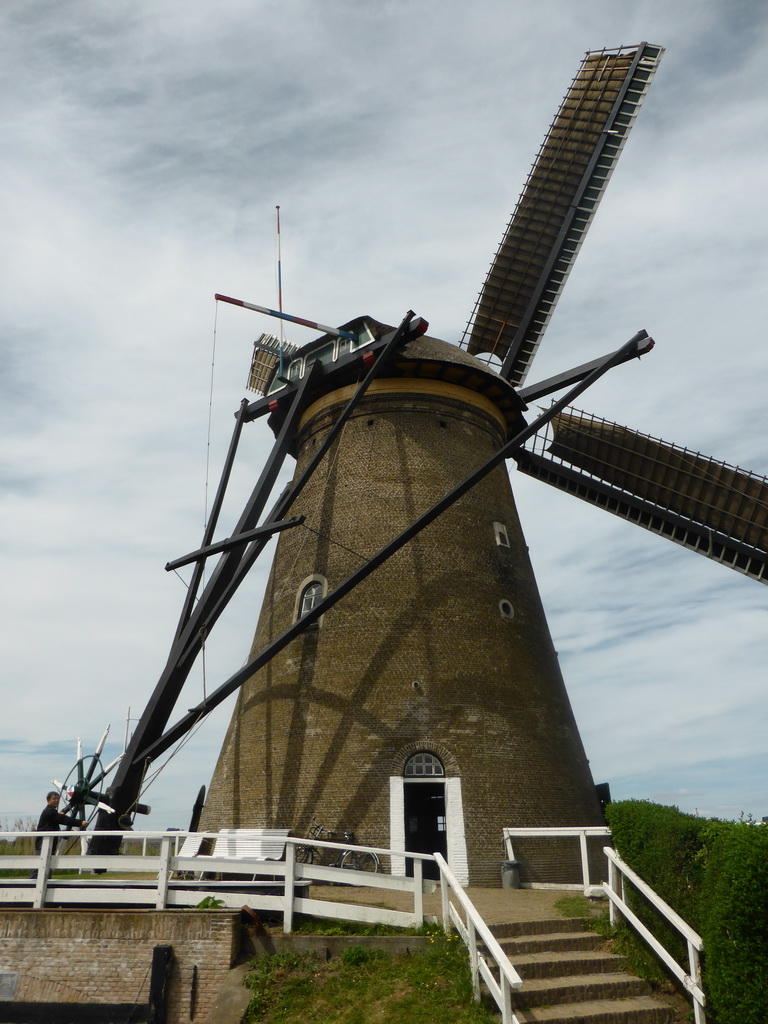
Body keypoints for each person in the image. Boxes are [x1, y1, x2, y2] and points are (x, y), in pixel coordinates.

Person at [29, 791, 87, 878]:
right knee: (41, 866)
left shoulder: (51, 812)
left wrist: (58, 815)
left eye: (57, 799)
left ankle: (45, 884)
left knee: (46, 865)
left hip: (48, 843)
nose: (56, 800)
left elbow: (58, 817)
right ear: (48, 800)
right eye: (54, 799)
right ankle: (30, 885)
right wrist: (80, 822)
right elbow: (64, 819)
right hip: (43, 843)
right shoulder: (50, 812)